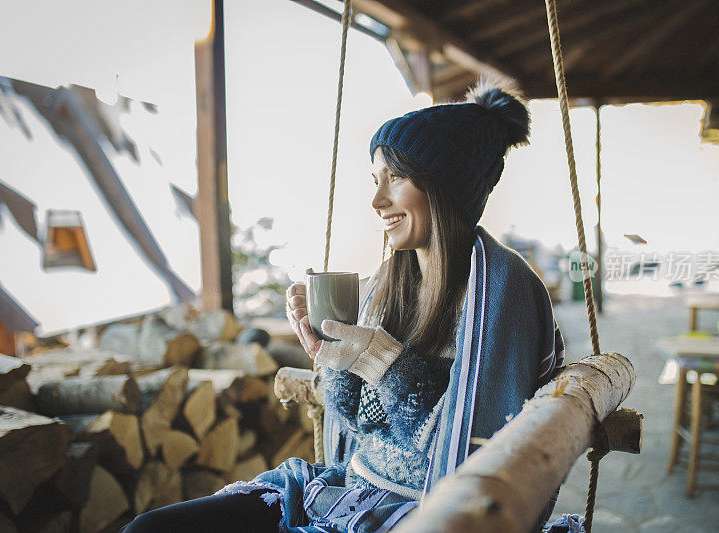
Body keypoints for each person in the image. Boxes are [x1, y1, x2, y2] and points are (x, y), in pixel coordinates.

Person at [121, 80, 565, 533]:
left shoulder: (502, 293)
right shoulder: (392, 284)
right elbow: (360, 424)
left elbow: (472, 459)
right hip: (347, 492)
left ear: (445, 185)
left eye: (397, 178)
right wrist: (330, 355)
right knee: (146, 528)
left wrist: (386, 365)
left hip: (419, 514)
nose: (377, 201)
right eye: (376, 181)